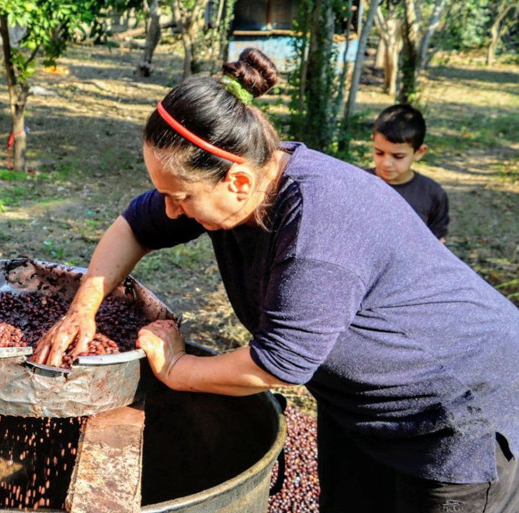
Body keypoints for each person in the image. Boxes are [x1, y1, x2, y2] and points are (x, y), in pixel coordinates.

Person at [33, 48, 519, 513]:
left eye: (178, 196)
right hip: (361, 406)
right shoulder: (226, 182)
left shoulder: (317, 227)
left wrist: (177, 368)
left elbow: (278, 365)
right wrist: (83, 309)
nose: (169, 209)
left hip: (453, 414)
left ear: (239, 182)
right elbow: (132, 227)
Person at [368, 104, 450, 242]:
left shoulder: (432, 194)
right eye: (379, 152)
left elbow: (436, 243)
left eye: (398, 156)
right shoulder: (357, 183)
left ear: (419, 152)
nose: (386, 163)